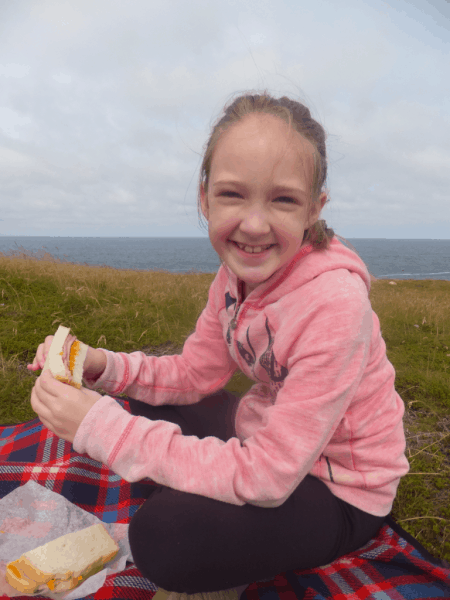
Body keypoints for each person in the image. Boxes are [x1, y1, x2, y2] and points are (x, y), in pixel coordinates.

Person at [28, 91, 409, 597]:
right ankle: (196, 486)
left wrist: (102, 430)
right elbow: (191, 375)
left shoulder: (336, 306)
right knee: (139, 401)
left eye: (284, 199)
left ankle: (195, 500)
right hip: (265, 437)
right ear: (204, 197)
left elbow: (269, 478)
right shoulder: (233, 280)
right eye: (233, 195)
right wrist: (99, 366)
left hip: (337, 491)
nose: (254, 225)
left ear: (315, 209)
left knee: (164, 537)